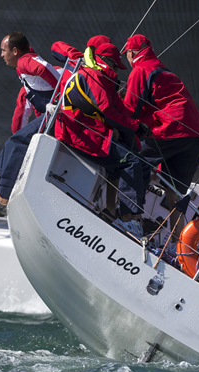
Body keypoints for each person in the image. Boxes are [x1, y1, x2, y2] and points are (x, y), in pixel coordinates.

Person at [53, 42, 147, 236]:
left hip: (82, 134)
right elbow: (107, 112)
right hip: (82, 136)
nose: (116, 70)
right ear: (105, 61)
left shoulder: (92, 74)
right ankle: (129, 220)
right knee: (131, 161)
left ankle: (111, 213)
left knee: (124, 161)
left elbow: (115, 111)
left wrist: (134, 130)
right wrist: (135, 127)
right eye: (115, 66)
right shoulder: (94, 76)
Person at [123, 34, 199, 239]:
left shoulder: (140, 69)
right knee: (174, 191)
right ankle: (178, 243)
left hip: (172, 128)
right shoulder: (161, 67)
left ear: (132, 52)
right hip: (195, 135)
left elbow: (130, 109)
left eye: (126, 53)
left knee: (133, 160)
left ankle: (131, 219)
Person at [0, 32, 61, 217]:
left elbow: (45, 68)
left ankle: (2, 199)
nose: (1, 55)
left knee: (15, 143)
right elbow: (19, 119)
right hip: (49, 115)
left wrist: (60, 96)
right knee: (11, 143)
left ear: (15, 51)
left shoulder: (25, 62)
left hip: (58, 114)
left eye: (4, 51)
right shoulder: (24, 77)